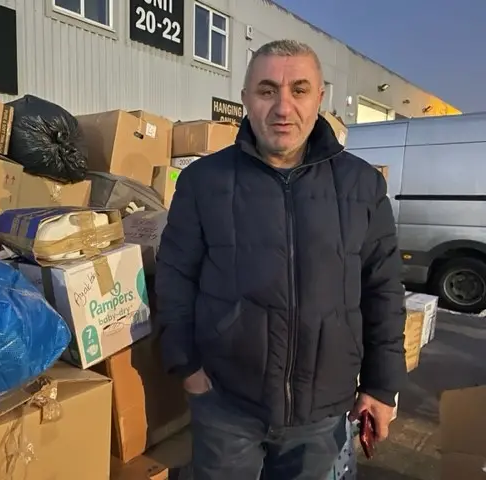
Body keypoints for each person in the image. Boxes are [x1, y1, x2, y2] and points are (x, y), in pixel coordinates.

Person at [155, 39, 407, 480]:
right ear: (245, 100)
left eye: (299, 90)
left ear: (320, 99)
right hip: (226, 403)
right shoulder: (203, 182)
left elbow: (382, 290)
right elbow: (175, 278)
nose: (283, 107)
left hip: (323, 413)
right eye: (267, 90)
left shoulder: (362, 187)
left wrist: (382, 386)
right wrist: (187, 366)